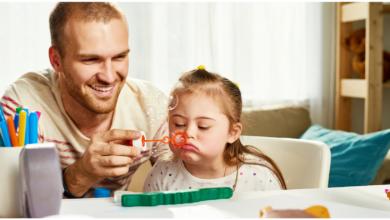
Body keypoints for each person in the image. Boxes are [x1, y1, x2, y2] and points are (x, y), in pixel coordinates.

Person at [0, 2, 168, 198]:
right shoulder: (22, 108)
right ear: (56, 60)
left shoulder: (152, 107)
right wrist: (79, 175)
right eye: (91, 60)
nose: (108, 77)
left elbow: (182, 186)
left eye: (119, 57)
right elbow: (15, 202)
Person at [143, 66, 286, 192]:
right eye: (179, 124)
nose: (188, 133)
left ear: (232, 133)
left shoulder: (259, 176)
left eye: (203, 127)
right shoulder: (162, 173)